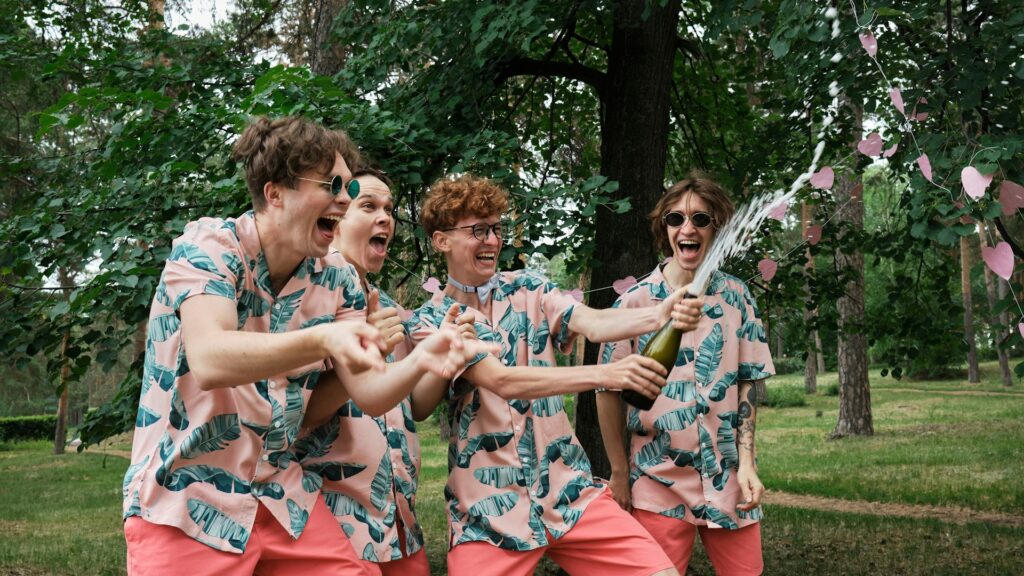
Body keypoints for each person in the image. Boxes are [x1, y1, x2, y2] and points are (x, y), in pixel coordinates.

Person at [121, 117, 489, 576]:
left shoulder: (336, 280)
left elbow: (371, 393)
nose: (343, 198)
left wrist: (422, 361)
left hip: (280, 497)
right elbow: (210, 356)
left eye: (348, 188)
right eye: (332, 184)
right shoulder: (210, 248)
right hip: (185, 498)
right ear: (275, 194)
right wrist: (321, 338)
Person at [406, 174, 705, 576]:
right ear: (442, 240)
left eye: (497, 228)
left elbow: (593, 323)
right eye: (478, 230)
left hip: (570, 494)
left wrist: (660, 313)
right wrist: (609, 371)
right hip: (489, 512)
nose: (493, 240)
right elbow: (503, 381)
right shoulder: (433, 321)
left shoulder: (529, 287)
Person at [596, 172, 775, 576]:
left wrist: (746, 464)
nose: (687, 228)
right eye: (675, 219)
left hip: (729, 479)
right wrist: (619, 473)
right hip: (656, 481)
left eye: (700, 219)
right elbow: (605, 391)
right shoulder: (633, 303)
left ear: (717, 228)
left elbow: (748, 381)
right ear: (665, 229)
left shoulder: (737, 297)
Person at [300, 168, 474, 575]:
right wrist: (361, 353)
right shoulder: (311, 299)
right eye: (369, 206)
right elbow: (302, 412)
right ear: (336, 216)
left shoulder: (388, 309)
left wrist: (436, 353)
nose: (385, 218)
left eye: (389, 209)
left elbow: (413, 407)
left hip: (398, 518)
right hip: (337, 516)